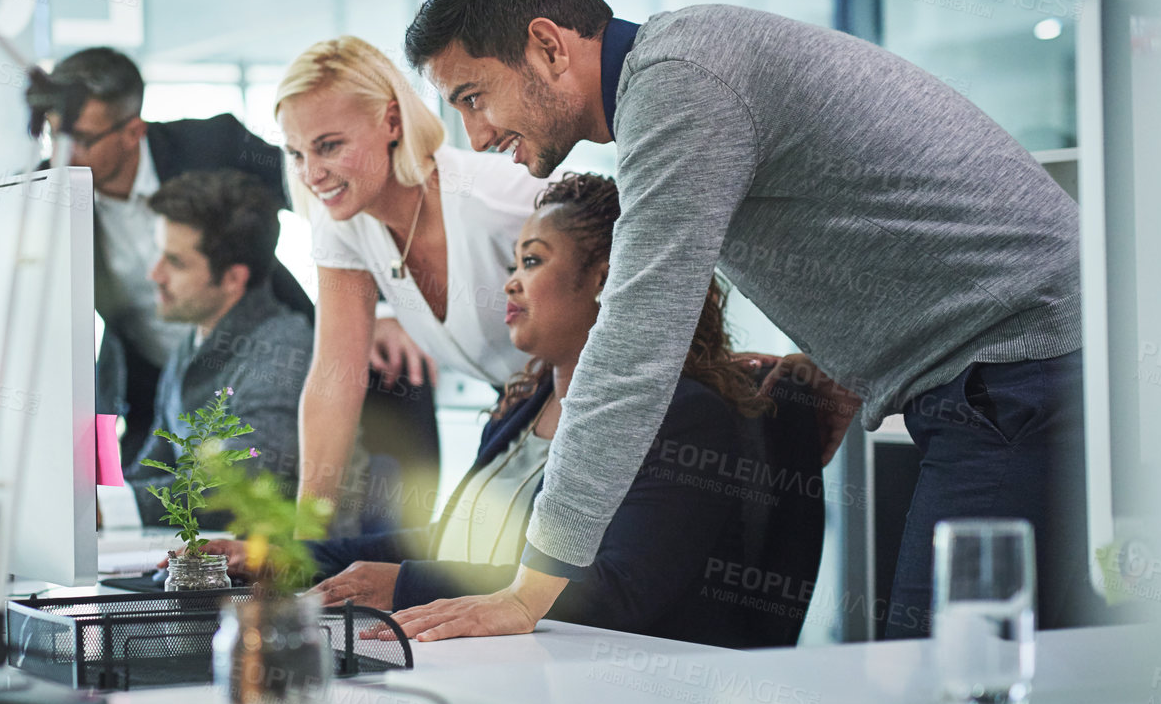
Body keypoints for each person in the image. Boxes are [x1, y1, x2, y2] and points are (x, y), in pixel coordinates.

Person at [394, 0, 1088, 642]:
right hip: (1019, 365)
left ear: (546, 45)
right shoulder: (684, 69)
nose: (475, 136)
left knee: (957, 672)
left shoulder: (679, 85)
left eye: (473, 98)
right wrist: (845, 361)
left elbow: (635, 339)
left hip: (1021, 368)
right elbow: (859, 206)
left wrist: (527, 590)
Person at [203, 173, 821, 648]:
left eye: (531, 261)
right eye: (511, 264)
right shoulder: (522, 407)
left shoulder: (682, 416)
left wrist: (405, 584)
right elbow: (458, 541)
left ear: (606, 279)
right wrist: (287, 555)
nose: (509, 283)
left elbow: (619, 594)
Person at [48, 47, 436, 482]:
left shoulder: (213, 145)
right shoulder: (46, 195)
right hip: (157, 381)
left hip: (261, 356)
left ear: (132, 130)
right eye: (53, 134)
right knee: (137, 502)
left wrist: (379, 306)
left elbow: (330, 195)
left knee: (259, 486)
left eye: (81, 138)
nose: (62, 154)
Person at [274, 36, 548, 531]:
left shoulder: (500, 200)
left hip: (600, 410)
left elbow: (634, 273)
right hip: (524, 423)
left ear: (392, 122)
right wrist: (302, 541)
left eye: (329, 146)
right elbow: (334, 379)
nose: (312, 174)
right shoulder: (342, 221)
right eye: (296, 153)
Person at [95, 169, 313, 530]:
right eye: (160, 255)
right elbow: (154, 467)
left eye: (176, 262)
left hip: (266, 573)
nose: (155, 275)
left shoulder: (282, 349)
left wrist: (113, 509)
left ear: (232, 278)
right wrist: (98, 503)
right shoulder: (192, 342)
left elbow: (239, 485)